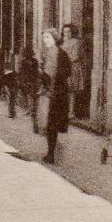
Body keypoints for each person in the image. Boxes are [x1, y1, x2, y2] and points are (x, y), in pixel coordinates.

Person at [40, 28, 71, 164]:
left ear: (54, 38)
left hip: (53, 93)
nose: (44, 40)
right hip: (61, 92)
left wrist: (42, 81)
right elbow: (68, 71)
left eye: (47, 37)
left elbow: (48, 74)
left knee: (50, 123)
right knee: (53, 124)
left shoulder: (53, 52)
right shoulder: (62, 53)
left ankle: (51, 154)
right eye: (44, 38)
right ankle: (52, 152)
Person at [61, 23, 84, 119]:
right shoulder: (61, 42)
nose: (67, 33)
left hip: (72, 68)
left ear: (72, 32)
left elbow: (76, 56)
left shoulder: (76, 42)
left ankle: (71, 112)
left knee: (71, 91)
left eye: (69, 31)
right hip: (62, 68)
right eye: (65, 31)